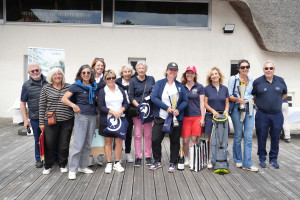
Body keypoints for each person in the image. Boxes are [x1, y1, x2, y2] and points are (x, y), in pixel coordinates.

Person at [150, 62, 188, 173]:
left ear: (177, 72)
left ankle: (173, 162)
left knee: (175, 141)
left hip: (176, 118)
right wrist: (166, 108)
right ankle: (157, 161)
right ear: (166, 71)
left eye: (175, 70)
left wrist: (178, 110)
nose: (172, 72)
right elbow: (154, 97)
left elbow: (185, 101)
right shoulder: (159, 83)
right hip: (161, 117)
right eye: (170, 69)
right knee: (155, 139)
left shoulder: (180, 86)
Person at [61, 65, 98, 180]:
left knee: (87, 143)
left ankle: (83, 166)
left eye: (88, 72)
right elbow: (64, 99)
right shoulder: (76, 86)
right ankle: (72, 169)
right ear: (80, 74)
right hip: (81, 116)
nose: (86, 74)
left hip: (92, 116)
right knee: (78, 143)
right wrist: (73, 105)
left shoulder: (93, 86)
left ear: (91, 74)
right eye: (84, 72)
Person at [252, 61, 287, 169]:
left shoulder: (280, 81)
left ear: (274, 69)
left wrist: (275, 103)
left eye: (271, 68)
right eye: (266, 68)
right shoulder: (257, 81)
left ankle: (273, 158)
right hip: (262, 114)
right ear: (263, 70)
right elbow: (254, 96)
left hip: (277, 114)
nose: (268, 70)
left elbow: (284, 94)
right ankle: (262, 158)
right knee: (261, 136)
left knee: (275, 136)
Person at [39, 67, 74, 175]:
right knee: (49, 144)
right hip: (50, 121)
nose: (57, 76)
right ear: (51, 77)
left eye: (59, 74)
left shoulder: (69, 87)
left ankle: (63, 164)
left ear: (62, 75)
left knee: (64, 144)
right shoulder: (46, 88)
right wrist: (41, 122)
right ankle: (48, 165)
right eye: (55, 74)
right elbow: (42, 105)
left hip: (67, 120)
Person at [228, 59, 258, 172]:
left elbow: (253, 94)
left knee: (249, 136)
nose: (245, 69)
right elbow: (229, 95)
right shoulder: (233, 79)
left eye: (247, 67)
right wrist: (237, 99)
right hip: (237, 108)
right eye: (243, 67)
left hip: (249, 108)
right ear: (238, 68)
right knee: (238, 135)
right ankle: (237, 159)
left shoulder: (251, 79)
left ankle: (247, 163)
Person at [98, 70, 128, 173]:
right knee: (108, 142)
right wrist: (112, 112)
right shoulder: (102, 91)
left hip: (120, 119)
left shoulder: (120, 89)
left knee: (119, 141)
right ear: (105, 80)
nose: (111, 80)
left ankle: (117, 162)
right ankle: (109, 163)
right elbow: (100, 106)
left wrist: (120, 111)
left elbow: (126, 103)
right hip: (107, 120)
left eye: (113, 77)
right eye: (108, 78)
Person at [20, 62, 48, 168]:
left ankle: (53, 158)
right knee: (38, 140)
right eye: (33, 71)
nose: (35, 72)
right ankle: (39, 159)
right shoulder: (26, 85)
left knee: (51, 139)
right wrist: (25, 120)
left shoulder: (48, 81)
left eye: (37, 70)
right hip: (35, 117)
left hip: (49, 117)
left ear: (40, 70)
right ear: (29, 73)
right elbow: (22, 103)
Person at [128, 61, 155, 167]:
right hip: (138, 110)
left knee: (148, 135)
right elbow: (131, 96)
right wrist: (139, 106)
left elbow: (154, 92)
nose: (141, 70)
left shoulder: (151, 79)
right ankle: (138, 157)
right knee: (138, 135)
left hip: (149, 111)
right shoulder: (133, 81)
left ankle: (148, 156)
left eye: (143, 68)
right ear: (136, 70)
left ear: (146, 69)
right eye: (139, 68)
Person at [204, 67, 229, 169]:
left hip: (222, 117)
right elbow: (205, 104)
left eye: (216, 73)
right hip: (211, 116)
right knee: (211, 139)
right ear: (210, 77)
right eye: (212, 74)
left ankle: (221, 158)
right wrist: (213, 111)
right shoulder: (207, 89)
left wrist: (226, 110)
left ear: (219, 75)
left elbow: (227, 103)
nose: (214, 75)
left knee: (222, 139)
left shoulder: (225, 89)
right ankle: (210, 159)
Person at [181, 66, 205, 167]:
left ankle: (193, 158)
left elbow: (202, 103)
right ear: (185, 74)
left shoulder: (200, 87)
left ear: (195, 75)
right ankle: (186, 157)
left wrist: (203, 118)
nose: (189, 75)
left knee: (194, 139)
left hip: (197, 117)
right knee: (185, 140)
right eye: (188, 73)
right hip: (185, 117)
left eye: (192, 73)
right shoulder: (181, 86)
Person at [88, 57, 106, 167]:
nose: (100, 67)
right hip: (90, 108)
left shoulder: (106, 78)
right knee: (90, 132)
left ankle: (100, 156)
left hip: (101, 109)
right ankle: (90, 157)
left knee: (101, 132)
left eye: (102, 66)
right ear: (93, 66)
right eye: (98, 65)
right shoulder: (88, 77)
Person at [116, 64, 135, 163]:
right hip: (119, 109)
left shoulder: (134, 81)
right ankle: (118, 154)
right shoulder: (117, 82)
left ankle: (128, 152)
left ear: (131, 73)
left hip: (130, 109)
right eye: (125, 72)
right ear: (122, 73)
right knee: (118, 131)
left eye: (129, 71)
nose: (127, 74)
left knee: (128, 131)